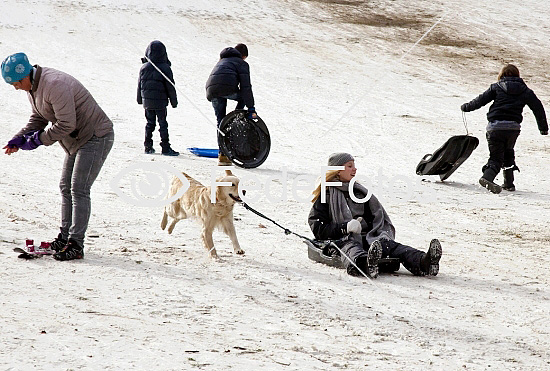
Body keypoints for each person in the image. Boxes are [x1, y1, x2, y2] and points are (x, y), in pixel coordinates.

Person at [2, 52, 114, 261]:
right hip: (77, 139)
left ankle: (76, 244)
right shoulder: (34, 87)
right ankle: (64, 237)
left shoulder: (54, 84)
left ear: (25, 75)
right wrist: (18, 139)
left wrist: (38, 140)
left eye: (16, 83)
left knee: (79, 188)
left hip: (96, 135)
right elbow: (39, 117)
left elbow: (66, 124)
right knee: (65, 187)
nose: (16, 87)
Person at [308, 153, 442, 278]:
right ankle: (366, 264)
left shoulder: (359, 193)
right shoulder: (326, 196)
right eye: (350, 166)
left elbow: (374, 217)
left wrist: (375, 231)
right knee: (351, 247)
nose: (354, 170)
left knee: (390, 246)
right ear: (337, 170)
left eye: (354, 166)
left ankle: (425, 262)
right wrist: (345, 227)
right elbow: (318, 227)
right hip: (341, 240)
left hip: (367, 238)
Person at [461, 64, 548, 193]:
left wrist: (466, 107)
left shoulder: (496, 87)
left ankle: (486, 178)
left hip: (495, 127)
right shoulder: (525, 91)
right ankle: (509, 183)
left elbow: (480, 100)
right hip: (513, 129)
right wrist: (543, 128)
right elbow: (538, 108)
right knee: (508, 152)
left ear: (501, 75)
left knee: (496, 157)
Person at [205, 43, 257, 165]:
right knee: (243, 98)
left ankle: (222, 155)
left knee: (220, 121)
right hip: (225, 88)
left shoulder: (222, 60)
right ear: (243, 56)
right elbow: (246, 87)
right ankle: (235, 117)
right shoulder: (241, 63)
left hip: (211, 90)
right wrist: (251, 108)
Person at [137, 40, 179, 156]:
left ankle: (148, 146)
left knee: (150, 123)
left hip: (148, 102)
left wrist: (140, 100)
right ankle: (165, 147)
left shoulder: (144, 67)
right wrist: (174, 102)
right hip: (160, 102)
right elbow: (170, 87)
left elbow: (140, 85)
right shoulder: (165, 68)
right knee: (163, 124)